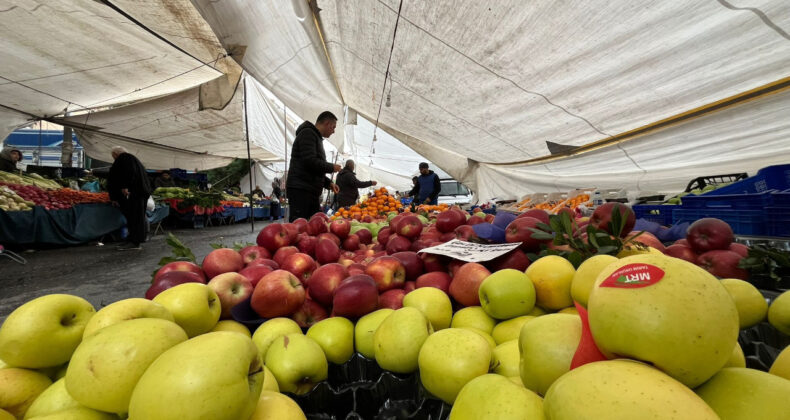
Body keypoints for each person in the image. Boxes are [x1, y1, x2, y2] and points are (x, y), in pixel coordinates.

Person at [286, 111, 342, 221]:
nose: (334, 131)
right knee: (300, 226)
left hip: (308, 189)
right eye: (333, 127)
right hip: (301, 190)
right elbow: (309, 161)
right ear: (326, 123)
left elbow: (313, 169)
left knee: (314, 224)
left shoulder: (315, 137)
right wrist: (331, 167)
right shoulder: (308, 133)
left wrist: (328, 183)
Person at [107, 146, 152, 251]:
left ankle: (135, 242)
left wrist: (124, 186)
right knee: (135, 218)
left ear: (115, 154)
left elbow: (128, 172)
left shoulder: (125, 158)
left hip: (135, 193)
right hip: (139, 193)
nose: (113, 158)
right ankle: (132, 239)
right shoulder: (133, 159)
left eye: (113, 156)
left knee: (135, 218)